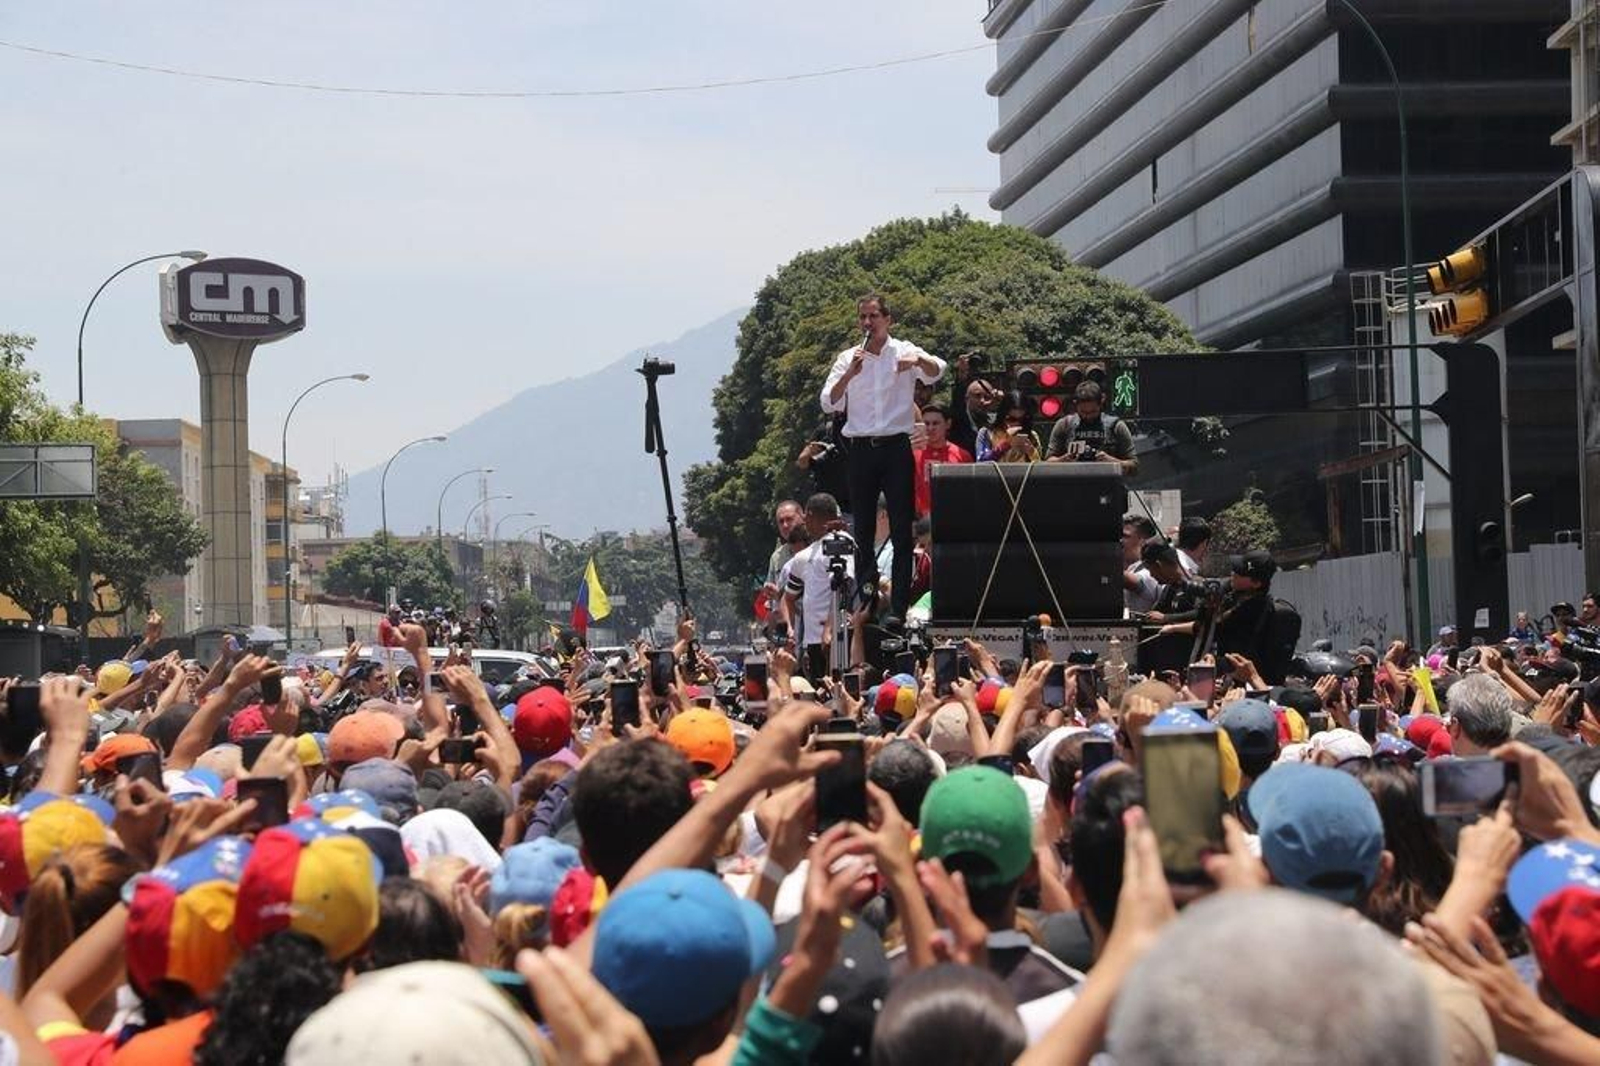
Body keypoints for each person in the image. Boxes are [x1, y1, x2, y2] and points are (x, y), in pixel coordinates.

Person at [820, 294, 946, 618]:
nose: (867, 323)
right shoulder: (848, 357)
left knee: (902, 528)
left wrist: (916, 362)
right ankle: (866, 596)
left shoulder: (903, 349)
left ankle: (899, 607)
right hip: (861, 447)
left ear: (887, 319)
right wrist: (849, 374)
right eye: (862, 317)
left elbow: (937, 371)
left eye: (873, 316)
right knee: (861, 527)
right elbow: (828, 402)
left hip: (895, 446)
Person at [1044, 381, 1136, 475]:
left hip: (1108, 484)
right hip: (1072, 484)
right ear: (1075, 405)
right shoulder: (1064, 425)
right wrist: (1063, 460)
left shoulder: (1116, 427)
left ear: (1101, 404)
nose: (1088, 416)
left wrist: (1112, 462)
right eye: (1083, 412)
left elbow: (1134, 466)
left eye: (1093, 411)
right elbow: (1047, 463)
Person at [912, 404, 972, 517]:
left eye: (935, 423)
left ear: (948, 424)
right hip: (919, 520)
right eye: (926, 424)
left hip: (953, 518)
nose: (930, 428)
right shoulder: (912, 454)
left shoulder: (962, 455)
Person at [975, 392, 1041, 464]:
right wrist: (1006, 445)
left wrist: (1031, 451)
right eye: (1011, 419)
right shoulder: (986, 433)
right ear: (1002, 416)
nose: (1017, 424)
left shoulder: (1032, 436)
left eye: (1022, 420)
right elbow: (981, 461)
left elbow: (1039, 468)